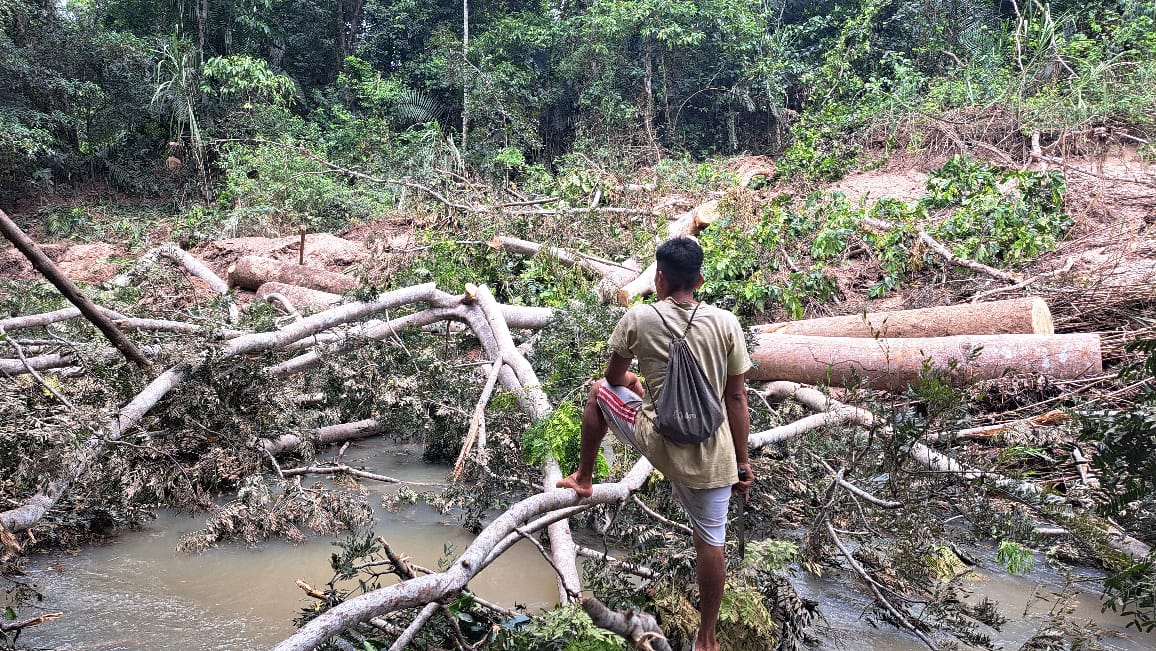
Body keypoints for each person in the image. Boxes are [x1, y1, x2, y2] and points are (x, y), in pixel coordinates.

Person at [557, 237, 753, 651]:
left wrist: (634, 381)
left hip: (660, 443)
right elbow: (736, 399)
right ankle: (708, 637)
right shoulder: (726, 323)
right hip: (714, 459)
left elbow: (612, 380)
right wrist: (743, 464)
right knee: (711, 543)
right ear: (699, 279)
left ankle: (585, 478)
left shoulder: (640, 319)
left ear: (659, 278)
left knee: (596, 393)